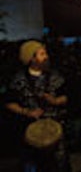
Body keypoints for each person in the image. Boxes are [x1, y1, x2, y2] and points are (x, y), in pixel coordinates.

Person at [4, 40, 70, 172]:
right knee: (32, 165)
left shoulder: (55, 75)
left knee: (60, 164)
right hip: (30, 132)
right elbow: (9, 103)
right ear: (32, 58)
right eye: (42, 54)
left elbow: (67, 97)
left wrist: (55, 101)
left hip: (55, 130)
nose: (46, 56)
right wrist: (27, 112)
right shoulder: (18, 79)